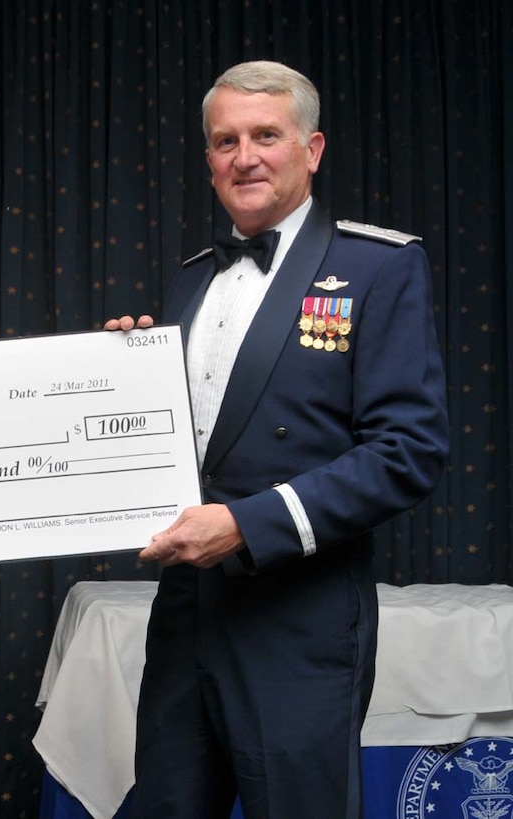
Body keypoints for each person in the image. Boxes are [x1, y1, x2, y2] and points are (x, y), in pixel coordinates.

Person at [106, 61, 448, 817]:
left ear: (313, 149)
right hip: (187, 615)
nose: (245, 156)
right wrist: (115, 380)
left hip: (300, 619)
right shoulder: (194, 278)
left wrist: (246, 525)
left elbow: (409, 449)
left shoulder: (378, 267)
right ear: (208, 160)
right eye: (225, 141)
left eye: (266, 135)